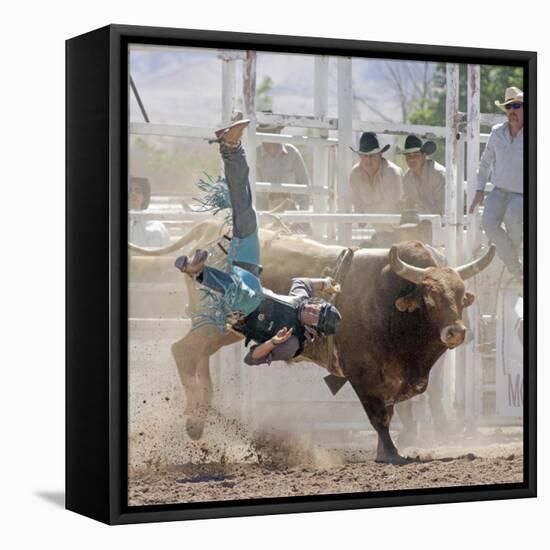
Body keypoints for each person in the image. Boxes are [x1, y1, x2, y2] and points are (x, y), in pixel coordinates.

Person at [174, 120, 342, 365]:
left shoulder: (293, 343)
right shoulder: (301, 300)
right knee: (247, 215)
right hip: (250, 276)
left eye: (316, 316)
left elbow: (251, 359)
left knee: (247, 295)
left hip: (242, 314)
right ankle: (231, 149)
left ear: (313, 329)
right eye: (318, 307)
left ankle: (198, 272)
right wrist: (325, 282)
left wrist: (272, 343)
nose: (313, 310)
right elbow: (301, 282)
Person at [469, 86, 524, 278]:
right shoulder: (496, 132)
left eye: (516, 105)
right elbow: (484, 163)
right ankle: (516, 268)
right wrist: (479, 190)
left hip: (523, 194)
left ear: (525, 108)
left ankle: (514, 267)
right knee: (488, 222)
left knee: (512, 216)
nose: (511, 111)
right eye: (508, 107)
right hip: (498, 191)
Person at [255, 122, 311, 212]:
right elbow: (256, 192)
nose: (270, 136)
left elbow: (305, 184)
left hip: (290, 211)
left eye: (273, 132)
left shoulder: (292, 153)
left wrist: (302, 218)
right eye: (267, 133)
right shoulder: (255, 156)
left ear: (278, 132)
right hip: (264, 212)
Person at [349, 132, 402, 214]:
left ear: (380, 155)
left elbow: (390, 208)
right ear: (360, 156)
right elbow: (355, 203)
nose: (368, 161)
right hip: (364, 224)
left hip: (392, 224)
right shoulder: (355, 174)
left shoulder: (392, 173)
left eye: (372, 156)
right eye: (364, 156)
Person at [398, 134, 446, 215]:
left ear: (424, 155)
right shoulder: (407, 177)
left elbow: (443, 210)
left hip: (442, 224)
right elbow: (409, 206)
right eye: (408, 155)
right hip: (419, 223)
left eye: (415, 155)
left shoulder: (438, 175)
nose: (411, 159)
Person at [128, 176, 171, 247]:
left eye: (138, 191)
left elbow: (166, 252)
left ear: (144, 197)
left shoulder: (157, 226)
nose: (133, 194)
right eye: (130, 190)